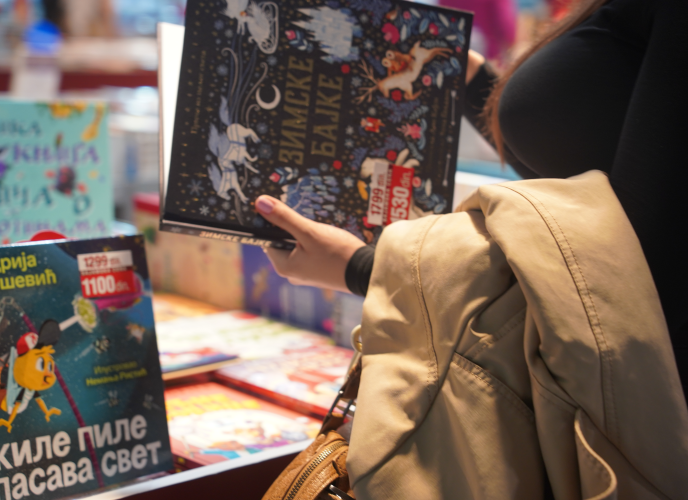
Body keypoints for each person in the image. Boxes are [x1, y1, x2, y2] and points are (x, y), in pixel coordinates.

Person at [254, 0, 688, 395]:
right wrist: (461, 73)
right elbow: (589, 165)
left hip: (637, 401)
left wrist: (367, 270)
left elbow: (637, 272)